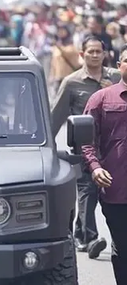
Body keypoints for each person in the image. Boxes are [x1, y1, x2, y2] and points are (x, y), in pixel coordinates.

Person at [51, 36, 118, 258]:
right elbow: (56, 117)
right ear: (82, 54)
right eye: (90, 51)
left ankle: (81, 233)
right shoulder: (72, 82)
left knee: (111, 193)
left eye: (99, 52)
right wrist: (45, 146)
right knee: (87, 192)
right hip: (84, 149)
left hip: (113, 148)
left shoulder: (117, 77)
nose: (95, 55)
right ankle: (91, 239)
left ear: (105, 54)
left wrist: (113, 89)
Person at [82, 45, 127, 284]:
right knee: (123, 247)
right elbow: (86, 140)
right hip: (116, 190)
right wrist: (95, 166)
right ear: (119, 65)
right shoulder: (101, 98)